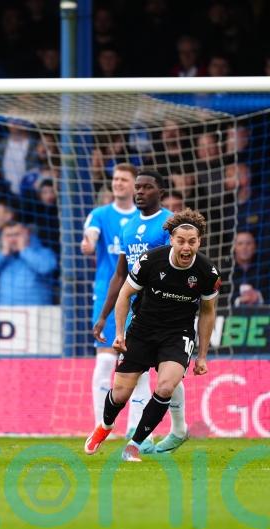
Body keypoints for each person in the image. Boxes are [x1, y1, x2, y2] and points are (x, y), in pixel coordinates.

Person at [85, 209, 219, 462]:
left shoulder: (207, 272)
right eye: (181, 240)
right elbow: (124, 295)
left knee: (166, 386)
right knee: (121, 392)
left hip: (177, 334)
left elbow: (208, 312)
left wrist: (202, 356)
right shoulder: (150, 261)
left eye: (192, 241)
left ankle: (134, 444)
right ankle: (105, 425)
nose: (186, 247)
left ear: (199, 241)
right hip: (143, 330)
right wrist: (121, 334)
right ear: (171, 239)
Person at [92, 170, 188, 454]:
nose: (140, 192)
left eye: (147, 187)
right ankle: (144, 432)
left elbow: (184, 264)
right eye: (138, 187)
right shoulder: (129, 227)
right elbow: (120, 274)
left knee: (165, 372)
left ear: (161, 190)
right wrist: (104, 315)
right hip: (139, 312)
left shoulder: (170, 224)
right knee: (144, 373)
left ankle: (172, 428)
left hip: (171, 311)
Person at [80, 163, 138, 429]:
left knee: (138, 360)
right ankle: (101, 424)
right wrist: (89, 243)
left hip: (140, 293)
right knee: (105, 358)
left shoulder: (142, 218)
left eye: (124, 179)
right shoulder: (100, 214)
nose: (118, 183)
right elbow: (91, 236)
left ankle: (135, 428)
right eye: (115, 179)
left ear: (134, 185)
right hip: (108, 293)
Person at [0, 221, 56, 305]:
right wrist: (3, 255)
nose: (13, 240)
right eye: (8, 236)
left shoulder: (43, 252)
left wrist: (24, 251)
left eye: (17, 234)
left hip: (37, 312)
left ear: (27, 234)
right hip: (5, 312)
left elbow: (46, 268)